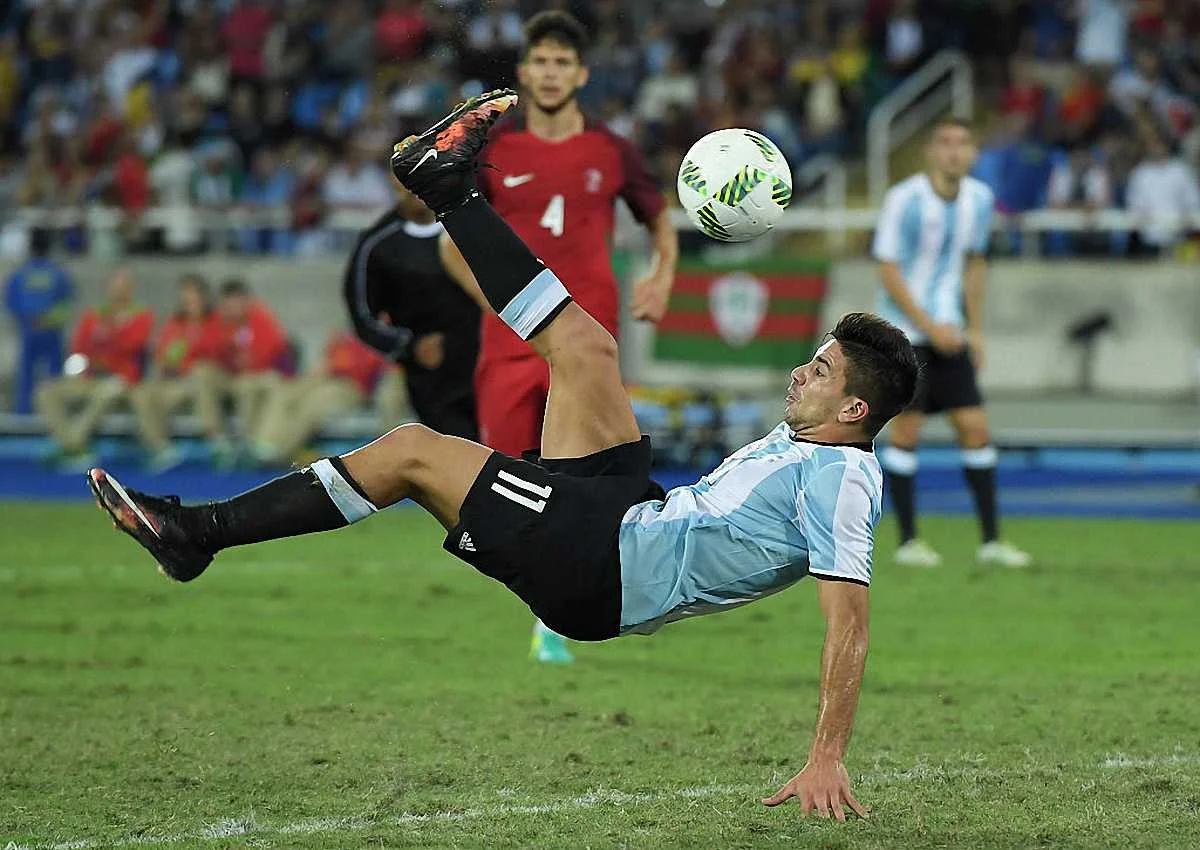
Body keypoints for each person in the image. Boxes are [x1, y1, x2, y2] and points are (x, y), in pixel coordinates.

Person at [87, 90, 919, 819]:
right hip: (632, 510)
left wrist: (826, 755)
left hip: (601, 567)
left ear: (855, 410)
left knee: (412, 452)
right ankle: (448, 187)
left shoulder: (842, 478)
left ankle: (197, 535)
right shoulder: (812, 438)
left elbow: (849, 624)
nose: (800, 373)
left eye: (820, 372)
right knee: (585, 347)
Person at [440, 11, 679, 663]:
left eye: (561, 63)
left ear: (581, 74)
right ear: (524, 72)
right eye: (540, 62)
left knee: (587, 480)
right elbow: (451, 247)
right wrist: (501, 308)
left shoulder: (612, 150)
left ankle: (560, 616)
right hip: (509, 347)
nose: (550, 73)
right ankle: (550, 604)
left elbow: (660, 224)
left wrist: (661, 277)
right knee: (508, 481)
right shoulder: (493, 149)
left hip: (586, 340)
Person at [872, 118, 1032, 569]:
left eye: (963, 143)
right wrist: (928, 325)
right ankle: (908, 542)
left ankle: (991, 541)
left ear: (974, 153)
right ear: (930, 151)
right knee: (907, 432)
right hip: (905, 335)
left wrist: (974, 328)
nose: (954, 151)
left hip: (951, 332)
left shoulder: (979, 199)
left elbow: (975, 263)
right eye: (945, 143)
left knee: (976, 430)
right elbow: (888, 269)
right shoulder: (904, 199)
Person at [343, 183, 480, 440]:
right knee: (459, 448)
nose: (416, 189)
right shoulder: (377, 244)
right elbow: (362, 316)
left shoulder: (474, 223)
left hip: (489, 359)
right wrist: (410, 346)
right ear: (394, 183)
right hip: (433, 377)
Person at [36, 268, 154, 468]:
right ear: (108, 288)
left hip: (120, 378)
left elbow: (130, 345)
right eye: (116, 287)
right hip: (90, 375)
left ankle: (73, 447)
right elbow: (79, 346)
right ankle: (72, 445)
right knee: (47, 392)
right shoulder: (93, 315)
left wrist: (107, 339)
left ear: (131, 290)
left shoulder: (142, 315)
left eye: (124, 287)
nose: (119, 292)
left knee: (104, 394)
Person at [129, 274, 230, 471]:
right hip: (181, 383)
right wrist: (172, 364)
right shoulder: (175, 325)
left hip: (212, 380)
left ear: (203, 298)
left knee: (201, 371)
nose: (189, 304)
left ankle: (216, 439)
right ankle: (160, 447)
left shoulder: (217, 321)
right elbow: (164, 357)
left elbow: (216, 352)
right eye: (185, 299)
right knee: (142, 391)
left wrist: (188, 359)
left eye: (193, 299)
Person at [250, 328, 395, 465]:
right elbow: (324, 361)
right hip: (324, 378)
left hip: (348, 385)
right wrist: (311, 378)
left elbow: (370, 372)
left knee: (310, 405)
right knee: (284, 392)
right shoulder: (342, 336)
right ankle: (263, 444)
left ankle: (278, 452)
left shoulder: (376, 340)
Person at [209, 278, 292, 460]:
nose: (233, 308)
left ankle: (259, 443)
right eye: (229, 304)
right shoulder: (218, 321)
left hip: (257, 375)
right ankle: (226, 440)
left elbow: (271, 352)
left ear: (246, 301)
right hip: (230, 377)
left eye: (237, 302)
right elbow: (211, 353)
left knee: (265, 385)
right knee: (237, 382)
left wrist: (248, 365)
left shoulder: (261, 318)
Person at [4, 228, 73, 414]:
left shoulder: (19, 274)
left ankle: (24, 412)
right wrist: (48, 319)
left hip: (29, 331)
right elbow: (66, 304)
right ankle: (56, 412)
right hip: (51, 332)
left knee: (26, 374)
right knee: (54, 374)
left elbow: (10, 302)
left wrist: (26, 320)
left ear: (30, 246)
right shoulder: (59, 274)